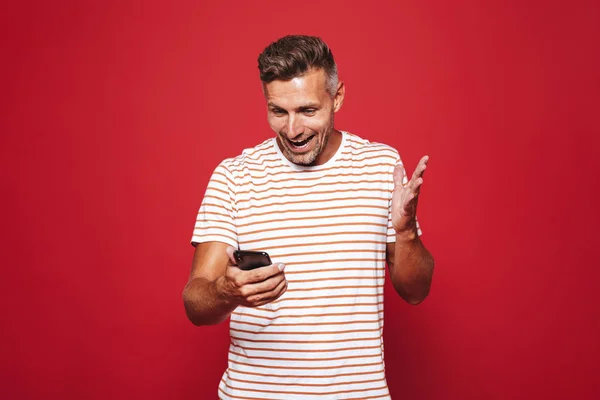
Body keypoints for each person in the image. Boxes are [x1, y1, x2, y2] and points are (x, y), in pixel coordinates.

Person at [182, 35, 434, 399]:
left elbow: (415, 292)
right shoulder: (234, 176)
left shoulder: (380, 167)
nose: (293, 130)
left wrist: (406, 230)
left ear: (338, 97)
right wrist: (226, 291)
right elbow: (196, 304)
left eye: (308, 111)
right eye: (278, 112)